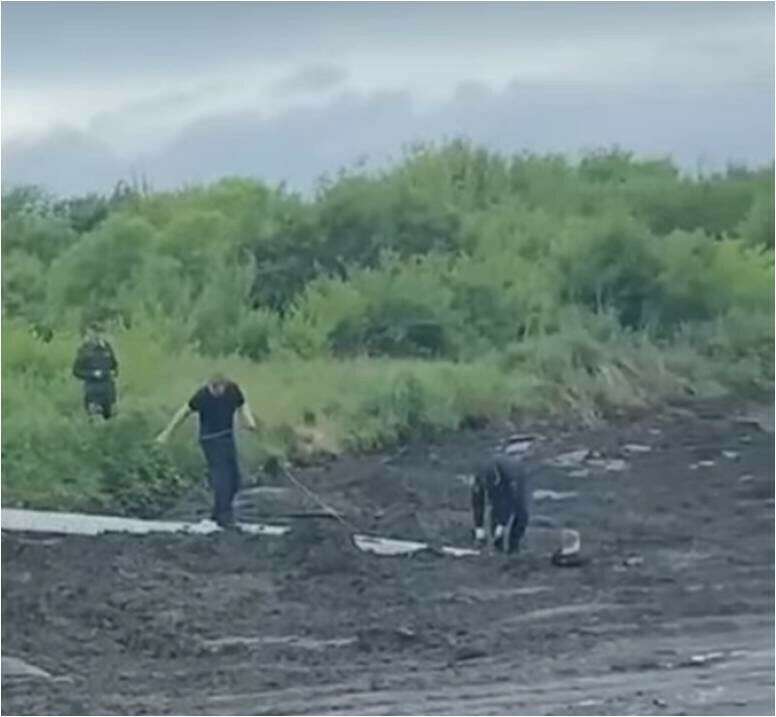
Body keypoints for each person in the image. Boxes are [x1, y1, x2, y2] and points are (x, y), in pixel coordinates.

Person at [156, 374, 258, 528]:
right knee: (222, 475)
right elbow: (183, 413)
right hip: (210, 439)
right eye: (213, 389)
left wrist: (249, 421)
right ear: (209, 386)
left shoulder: (233, 390)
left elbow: (242, 405)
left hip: (227, 437)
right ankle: (225, 516)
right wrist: (166, 433)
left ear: (224, 386)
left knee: (235, 477)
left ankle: (218, 513)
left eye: (219, 389)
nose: (216, 392)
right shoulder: (202, 396)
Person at [471, 455, 530, 553]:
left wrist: (502, 524)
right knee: (496, 507)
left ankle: (514, 547)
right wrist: (479, 528)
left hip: (514, 479)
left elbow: (511, 501)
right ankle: (498, 546)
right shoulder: (480, 476)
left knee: (521, 513)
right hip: (499, 478)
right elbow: (477, 502)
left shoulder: (513, 475)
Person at [72, 323, 118, 419]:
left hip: (108, 390)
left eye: (99, 333)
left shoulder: (107, 348)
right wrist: (92, 374)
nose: (97, 336)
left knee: (111, 419)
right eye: (94, 333)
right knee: (95, 418)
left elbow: (114, 365)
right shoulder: (84, 350)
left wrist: (113, 372)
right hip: (93, 390)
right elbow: (76, 371)